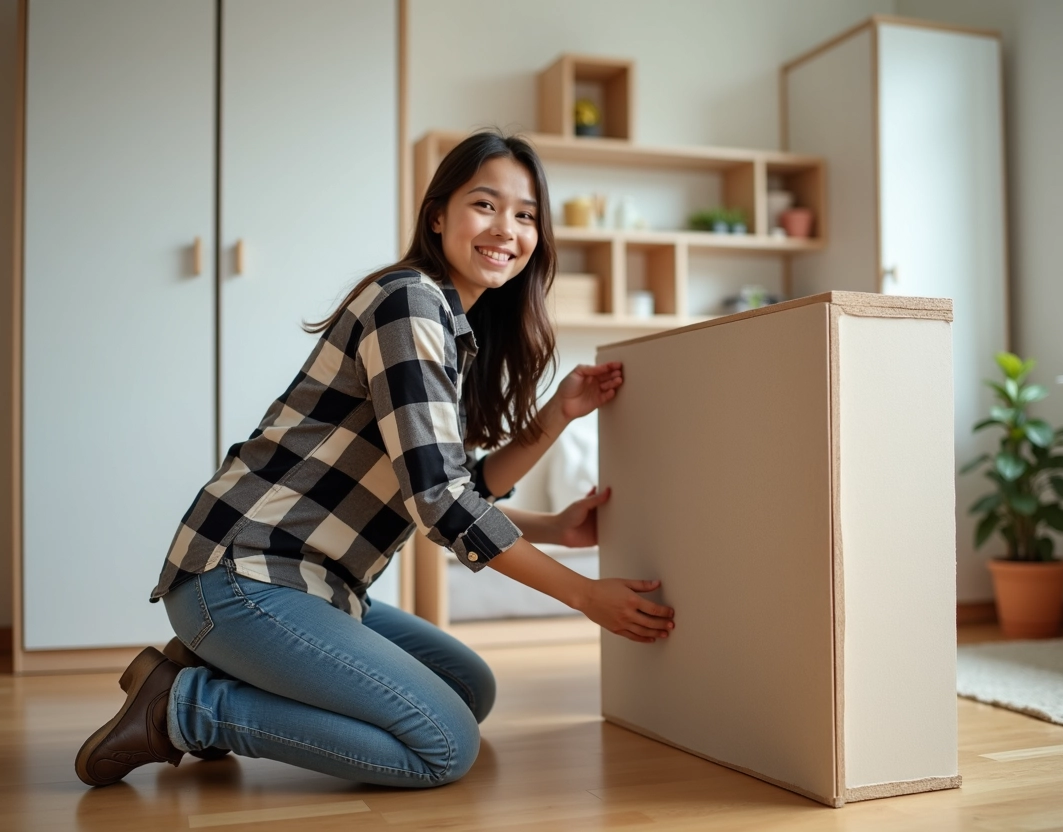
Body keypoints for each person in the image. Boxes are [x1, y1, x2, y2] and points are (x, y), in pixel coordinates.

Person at [75, 130, 676, 789]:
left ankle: (212, 670)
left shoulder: (453, 330)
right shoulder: (408, 303)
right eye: (486, 204)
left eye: (526, 214)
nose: (507, 228)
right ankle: (189, 710)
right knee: (444, 745)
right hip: (244, 574)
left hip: (319, 586)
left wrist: (555, 449)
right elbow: (442, 503)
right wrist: (584, 594)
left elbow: (450, 485)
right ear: (438, 215)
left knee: (467, 689)